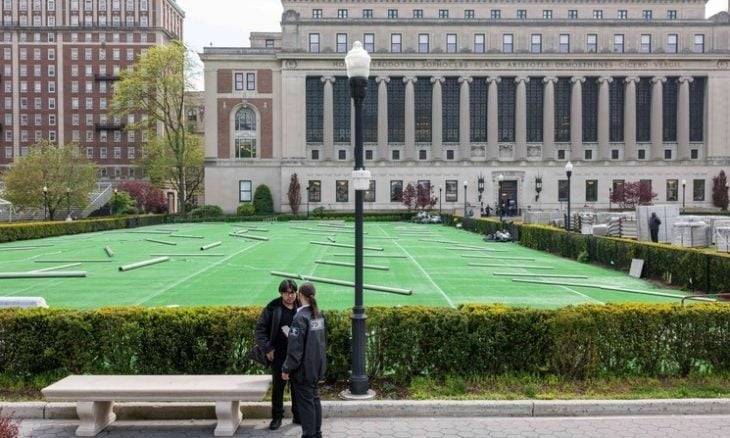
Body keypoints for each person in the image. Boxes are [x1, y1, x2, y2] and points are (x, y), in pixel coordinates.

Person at [254, 279, 300, 430]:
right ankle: (277, 417)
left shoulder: (301, 306)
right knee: (278, 388)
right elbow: (260, 329)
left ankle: (298, 415)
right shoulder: (273, 307)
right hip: (278, 355)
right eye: (287, 293)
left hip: (297, 356)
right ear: (281, 293)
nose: (290, 296)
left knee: (297, 387)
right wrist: (268, 348)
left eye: (292, 292)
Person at [282, 283, 327, 438]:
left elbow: (295, 349)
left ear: (300, 295)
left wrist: (287, 368)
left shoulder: (300, 317)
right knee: (314, 399)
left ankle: (309, 435)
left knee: (307, 404)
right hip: (316, 366)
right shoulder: (318, 314)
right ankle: (317, 433)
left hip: (304, 369)